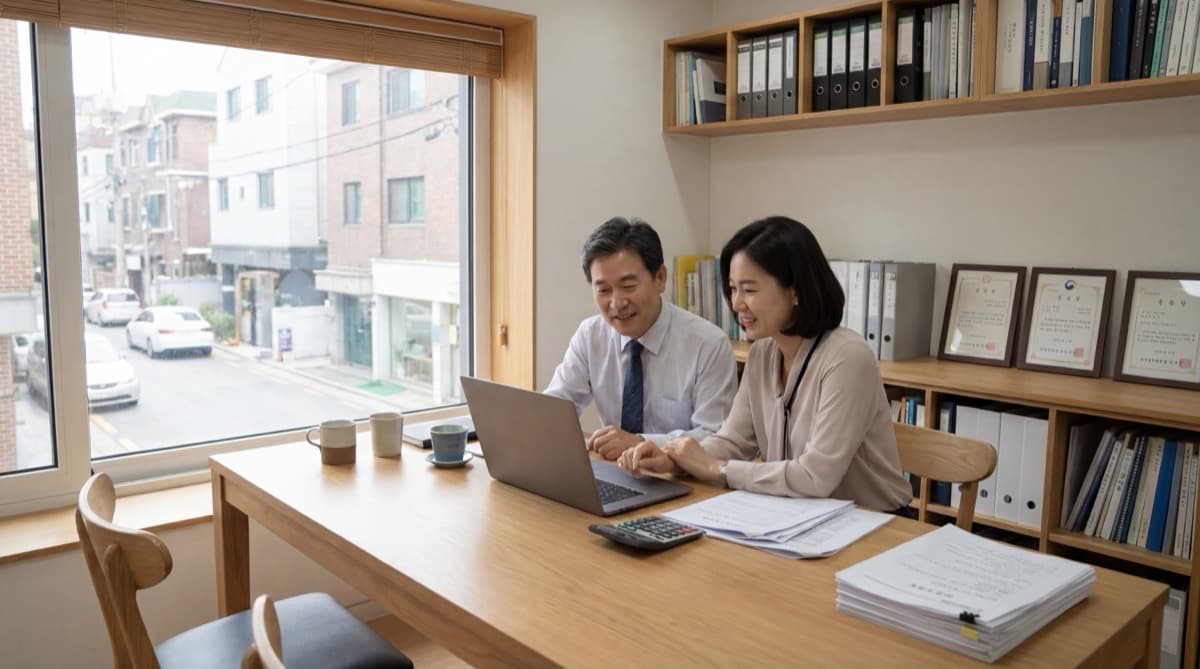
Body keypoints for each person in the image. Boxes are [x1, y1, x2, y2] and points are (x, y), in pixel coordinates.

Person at [618, 216, 911, 511]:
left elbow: (815, 477)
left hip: (875, 525)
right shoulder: (762, 353)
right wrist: (675, 459)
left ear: (795, 290)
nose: (736, 304)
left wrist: (716, 469)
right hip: (798, 516)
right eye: (733, 289)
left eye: (750, 289)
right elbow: (734, 442)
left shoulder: (848, 358)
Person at [545, 217, 738, 460]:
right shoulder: (590, 335)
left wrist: (640, 442)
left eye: (628, 286)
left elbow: (715, 437)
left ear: (660, 278)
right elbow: (555, 407)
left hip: (684, 480)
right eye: (603, 290)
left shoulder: (709, 344)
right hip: (617, 473)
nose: (616, 303)